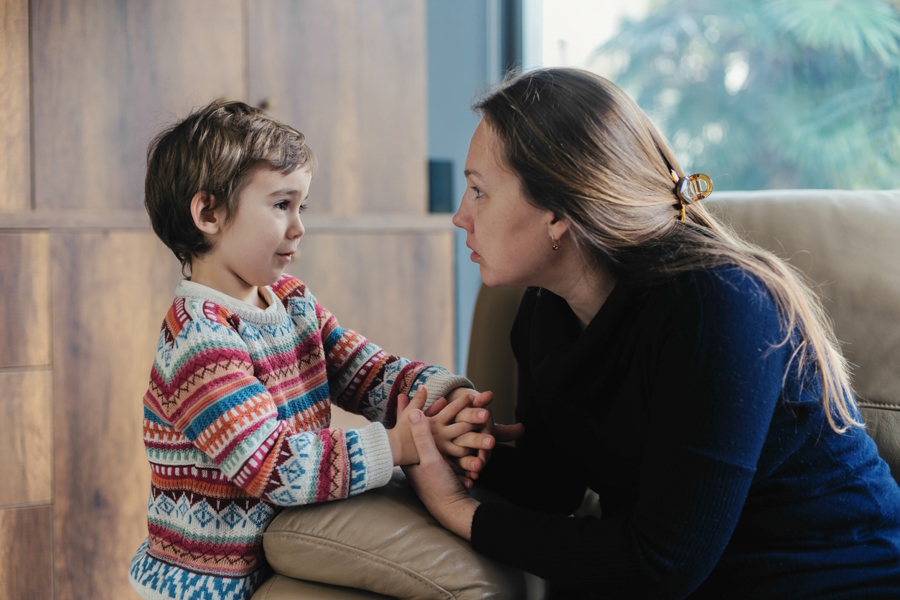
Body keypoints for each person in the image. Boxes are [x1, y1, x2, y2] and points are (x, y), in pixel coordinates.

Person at [401, 68, 900, 598]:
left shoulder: (717, 308)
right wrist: (450, 444)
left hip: (835, 584)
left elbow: (660, 566)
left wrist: (460, 513)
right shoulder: (544, 311)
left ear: (558, 213)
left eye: (479, 191)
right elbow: (552, 485)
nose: (460, 216)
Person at [127, 101, 491, 600]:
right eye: (281, 205)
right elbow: (274, 465)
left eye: (303, 207)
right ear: (208, 212)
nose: (299, 227)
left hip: (283, 547)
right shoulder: (200, 340)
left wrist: (446, 400)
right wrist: (399, 445)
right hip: (209, 585)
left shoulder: (293, 302)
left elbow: (369, 372)